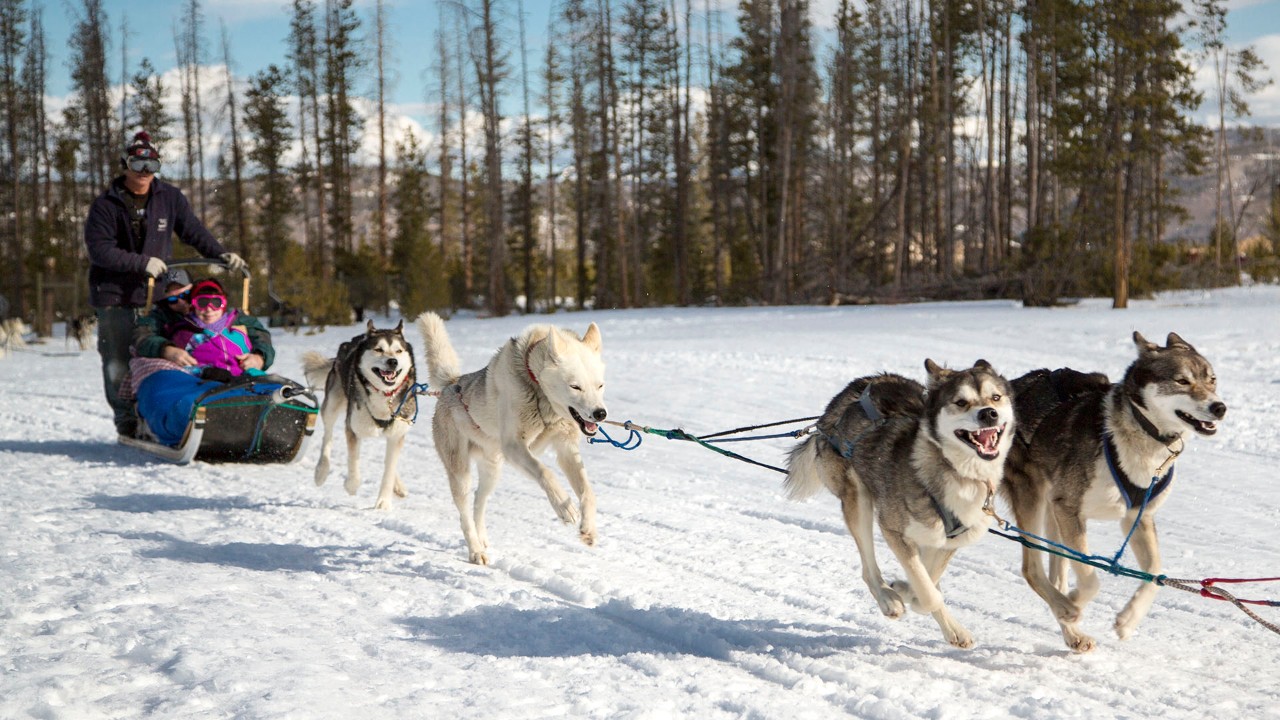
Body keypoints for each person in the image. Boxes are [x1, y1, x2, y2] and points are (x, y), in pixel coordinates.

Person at [84, 130, 248, 438]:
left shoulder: (168, 198)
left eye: (152, 166)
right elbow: (100, 249)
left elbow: (193, 231)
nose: (144, 173)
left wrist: (220, 254)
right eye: (137, 165)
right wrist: (141, 262)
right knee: (118, 362)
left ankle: (158, 415)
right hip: (115, 297)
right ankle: (127, 423)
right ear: (125, 165)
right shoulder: (105, 205)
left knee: (162, 355)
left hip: (155, 296)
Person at [130, 277, 275, 446]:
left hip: (239, 376)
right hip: (198, 377)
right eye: (172, 298)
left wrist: (259, 357)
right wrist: (166, 349)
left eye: (184, 294)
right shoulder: (173, 323)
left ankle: (275, 412)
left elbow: (261, 339)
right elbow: (143, 337)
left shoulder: (238, 321)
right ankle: (191, 418)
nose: (209, 309)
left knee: (261, 382)